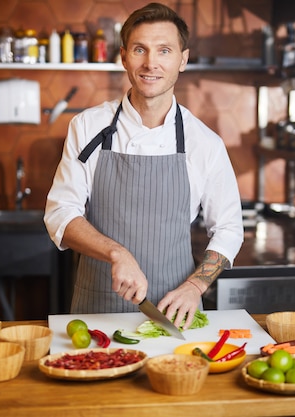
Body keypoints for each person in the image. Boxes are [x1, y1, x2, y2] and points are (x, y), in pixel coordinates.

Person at [44, 2, 243, 329]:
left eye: (164, 50)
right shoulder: (87, 126)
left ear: (183, 59)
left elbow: (229, 229)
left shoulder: (204, 143)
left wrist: (195, 287)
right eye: (140, 49)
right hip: (97, 309)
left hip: (175, 311)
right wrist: (116, 254)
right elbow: (60, 213)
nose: (151, 63)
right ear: (123, 56)